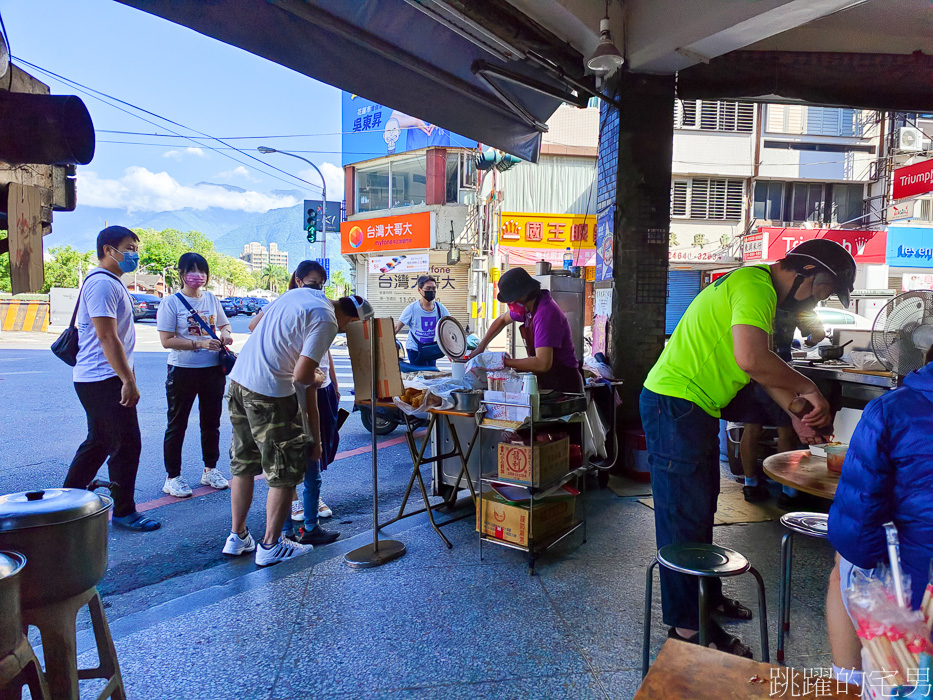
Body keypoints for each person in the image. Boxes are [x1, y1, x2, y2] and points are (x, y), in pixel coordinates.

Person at [640, 239, 855, 657]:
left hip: (692, 405)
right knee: (683, 513)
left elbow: (764, 371)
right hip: (675, 403)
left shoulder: (762, 291)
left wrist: (795, 412)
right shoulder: (754, 286)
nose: (821, 299)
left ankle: (708, 596)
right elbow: (753, 360)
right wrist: (808, 388)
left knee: (700, 505)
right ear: (805, 273)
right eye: (824, 289)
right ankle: (687, 628)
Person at [222, 291, 370, 566]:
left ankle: (238, 535)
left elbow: (256, 325)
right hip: (270, 394)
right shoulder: (327, 320)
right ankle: (271, 545)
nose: (345, 329)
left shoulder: (301, 294)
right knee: (285, 473)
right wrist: (317, 377)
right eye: (349, 325)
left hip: (239, 383)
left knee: (243, 464)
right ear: (349, 319)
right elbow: (303, 378)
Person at [825, 343, 933, 687]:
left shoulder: (890, 410)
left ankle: (847, 684)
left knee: (843, 564)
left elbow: (857, 535)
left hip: (915, 594)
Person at [62, 225, 160, 532]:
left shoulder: (110, 282)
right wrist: (127, 380)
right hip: (102, 378)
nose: (134, 254)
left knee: (100, 441)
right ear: (108, 249)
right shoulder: (102, 284)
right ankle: (124, 511)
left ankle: (68, 500)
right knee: (126, 444)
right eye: (129, 248)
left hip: (101, 376)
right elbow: (107, 337)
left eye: (135, 248)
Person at [249, 261, 340, 528]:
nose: (318, 288)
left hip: (319, 382)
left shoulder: (322, 308)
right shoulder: (287, 301)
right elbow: (255, 325)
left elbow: (326, 349)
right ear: (298, 281)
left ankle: (312, 500)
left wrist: (332, 379)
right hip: (297, 384)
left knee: (318, 446)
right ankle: (295, 505)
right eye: (313, 282)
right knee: (296, 450)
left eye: (321, 283)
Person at [723, 308, 826, 505]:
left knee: (751, 428)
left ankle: (750, 485)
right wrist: (812, 338)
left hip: (750, 374)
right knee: (786, 430)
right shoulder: (797, 304)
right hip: (779, 371)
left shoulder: (761, 303)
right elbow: (817, 334)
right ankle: (787, 491)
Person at [156, 253, 233, 498]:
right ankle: (173, 477)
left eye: (202, 271)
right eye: (192, 270)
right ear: (181, 274)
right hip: (182, 371)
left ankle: (210, 469)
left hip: (212, 371)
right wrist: (199, 344)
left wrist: (227, 335)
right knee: (177, 424)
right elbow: (166, 341)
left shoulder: (211, 299)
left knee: (212, 422)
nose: (198, 275)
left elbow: (225, 325)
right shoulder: (171, 303)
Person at [470, 267, 583, 393]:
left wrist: (503, 362)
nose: (510, 305)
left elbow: (543, 363)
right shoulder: (529, 309)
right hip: (546, 381)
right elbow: (502, 320)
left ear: (523, 295)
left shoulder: (544, 314)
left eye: (510, 301)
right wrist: (481, 346)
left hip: (564, 386)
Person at [395, 275, 449, 367]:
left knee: (431, 376)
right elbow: (397, 327)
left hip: (431, 348)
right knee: (418, 376)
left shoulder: (441, 309)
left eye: (434, 288)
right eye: (428, 288)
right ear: (420, 290)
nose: (431, 291)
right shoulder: (412, 309)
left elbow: (450, 327)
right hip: (415, 348)